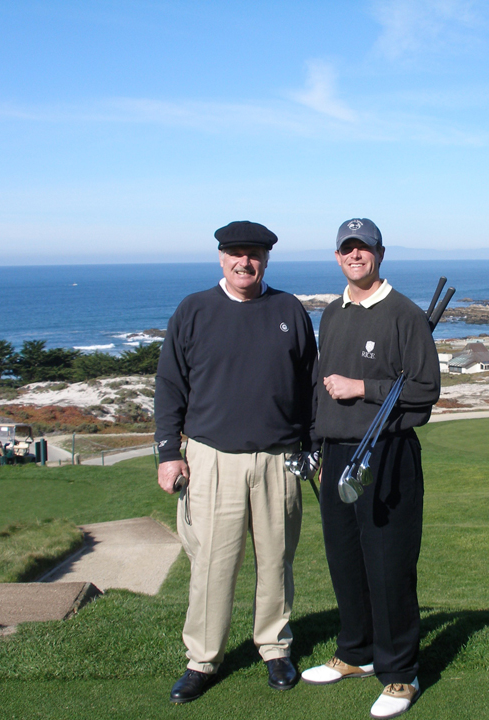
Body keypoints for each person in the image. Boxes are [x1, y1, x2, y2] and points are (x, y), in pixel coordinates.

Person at [154, 220, 319, 703]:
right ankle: (203, 659)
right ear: (221, 258)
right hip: (211, 459)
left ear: (266, 260)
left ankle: (274, 647)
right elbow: (170, 386)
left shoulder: (288, 309)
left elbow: (309, 385)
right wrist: (168, 454)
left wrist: (312, 447)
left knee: (276, 561)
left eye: (254, 254)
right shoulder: (194, 310)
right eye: (235, 254)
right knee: (212, 564)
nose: (244, 262)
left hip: (279, 459)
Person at [302, 218, 440, 719]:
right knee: (346, 560)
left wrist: (363, 387)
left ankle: (401, 674)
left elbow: (425, 391)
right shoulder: (332, 313)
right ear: (338, 256)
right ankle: (355, 654)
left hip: (386, 452)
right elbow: (321, 386)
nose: (355, 256)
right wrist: (317, 444)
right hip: (338, 452)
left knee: (389, 565)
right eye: (347, 249)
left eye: (363, 248)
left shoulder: (404, 314)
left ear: (380, 253)